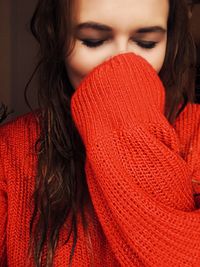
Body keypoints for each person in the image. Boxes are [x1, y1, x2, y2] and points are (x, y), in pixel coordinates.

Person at [0, 0, 200, 266]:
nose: (121, 62)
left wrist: (127, 125)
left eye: (147, 43)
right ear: (58, 39)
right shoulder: (8, 153)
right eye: (93, 41)